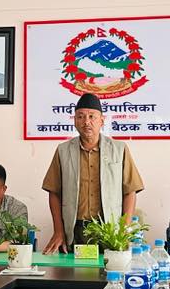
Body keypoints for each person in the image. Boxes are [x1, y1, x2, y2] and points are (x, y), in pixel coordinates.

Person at [41, 93, 144, 253]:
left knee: (108, 268)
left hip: (110, 230)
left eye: (91, 116)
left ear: (101, 120)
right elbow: (54, 191)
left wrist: (124, 230)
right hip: (75, 230)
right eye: (80, 117)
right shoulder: (63, 151)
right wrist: (58, 231)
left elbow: (130, 191)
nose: (86, 122)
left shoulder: (119, 149)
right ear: (75, 121)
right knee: (73, 269)